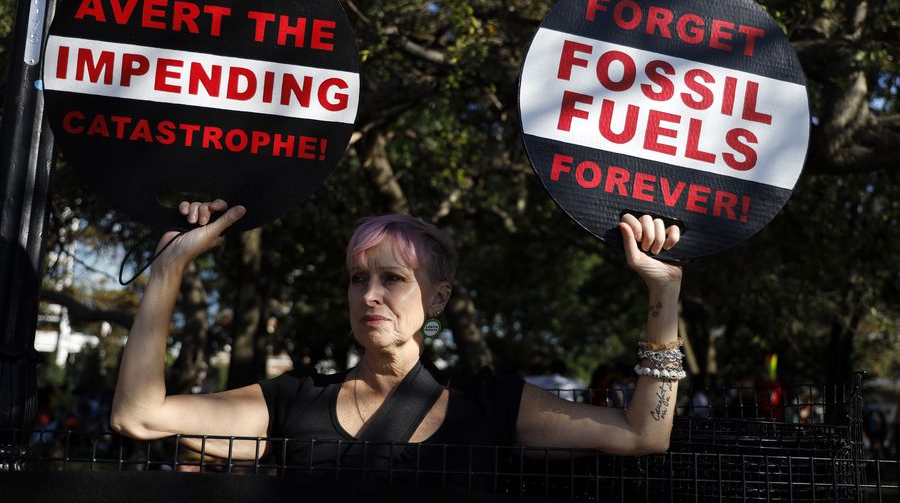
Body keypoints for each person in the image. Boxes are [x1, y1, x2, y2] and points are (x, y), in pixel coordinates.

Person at [111, 200, 684, 470]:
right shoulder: (291, 401)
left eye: (393, 279)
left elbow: (645, 434)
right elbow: (138, 415)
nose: (369, 295)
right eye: (357, 279)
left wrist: (664, 291)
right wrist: (168, 269)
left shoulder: (491, 404)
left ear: (439, 299)